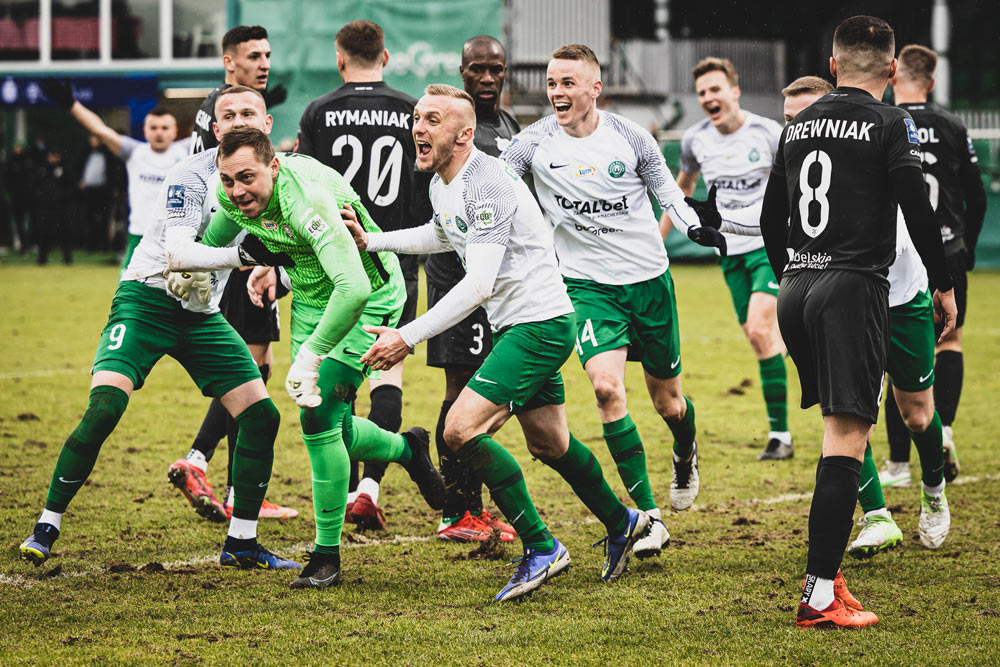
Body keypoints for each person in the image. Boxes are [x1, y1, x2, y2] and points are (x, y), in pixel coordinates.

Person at [349, 84, 653, 602]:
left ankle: (541, 546)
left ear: (465, 134)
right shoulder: (446, 182)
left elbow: (479, 283)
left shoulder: (486, 180)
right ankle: (623, 523)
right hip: (522, 325)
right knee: (550, 443)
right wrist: (371, 239)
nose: (418, 128)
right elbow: (441, 235)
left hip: (537, 326)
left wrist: (408, 335)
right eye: (418, 118)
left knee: (459, 431)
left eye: (434, 120)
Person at [18, 90, 301, 573]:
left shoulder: (288, 178)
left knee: (261, 417)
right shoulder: (189, 174)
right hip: (147, 298)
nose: (235, 121)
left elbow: (297, 249)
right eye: (226, 114)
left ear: (266, 124)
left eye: (246, 114)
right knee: (106, 405)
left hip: (202, 314)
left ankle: (242, 543)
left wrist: (277, 273)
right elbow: (179, 255)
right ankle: (47, 524)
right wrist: (250, 259)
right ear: (214, 128)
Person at [170, 126, 445, 590]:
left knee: (317, 421)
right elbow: (215, 244)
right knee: (332, 423)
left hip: (369, 296)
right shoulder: (232, 190)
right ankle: (406, 448)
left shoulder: (305, 200)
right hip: (314, 299)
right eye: (228, 180)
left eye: (247, 179)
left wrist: (313, 356)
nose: (236, 191)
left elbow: (354, 286)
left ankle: (326, 556)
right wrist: (195, 271)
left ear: (273, 167)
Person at [501, 44, 749, 559]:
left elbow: (669, 194)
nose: (557, 93)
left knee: (669, 403)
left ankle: (685, 450)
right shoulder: (531, 144)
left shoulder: (631, 138)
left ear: (595, 88)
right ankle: (649, 516)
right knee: (607, 388)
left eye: (568, 83)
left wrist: (694, 227)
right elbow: (495, 185)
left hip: (648, 283)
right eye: (551, 83)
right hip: (586, 286)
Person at [756, 16, 956, 629]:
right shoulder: (892, 121)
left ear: (834, 68)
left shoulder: (797, 126)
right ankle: (818, 594)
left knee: (843, 434)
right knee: (846, 444)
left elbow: (771, 220)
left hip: (798, 286)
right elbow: (919, 213)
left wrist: (795, 276)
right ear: (892, 72)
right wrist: (946, 285)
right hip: (853, 289)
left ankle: (830, 577)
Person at [779, 76, 951, 558]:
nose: (798, 127)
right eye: (789, 121)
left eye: (803, 116)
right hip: (842, 298)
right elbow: (774, 219)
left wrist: (943, 282)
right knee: (850, 411)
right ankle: (877, 516)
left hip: (898, 296)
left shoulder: (877, 134)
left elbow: (912, 214)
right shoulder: (798, 152)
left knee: (917, 414)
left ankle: (934, 493)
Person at [294, 19, 433, 530]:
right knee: (387, 372)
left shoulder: (319, 112)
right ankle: (370, 489)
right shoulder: (410, 110)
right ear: (387, 57)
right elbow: (424, 183)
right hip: (394, 258)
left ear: (339, 58)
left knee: (333, 383)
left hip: (332, 263)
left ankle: (354, 487)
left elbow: (302, 185)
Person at [169, 25, 296, 523]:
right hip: (240, 252)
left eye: (267, 54)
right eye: (252, 56)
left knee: (250, 366)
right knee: (253, 366)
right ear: (228, 63)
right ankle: (220, 474)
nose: (264, 63)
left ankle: (215, 470)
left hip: (225, 253)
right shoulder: (227, 112)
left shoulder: (216, 107)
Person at [662, 58, 792, 461]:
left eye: (715, 89)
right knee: (761, 338)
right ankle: (786, 341)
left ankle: (781, 437)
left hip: (769, 247)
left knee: (758, 329)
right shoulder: (695, 140)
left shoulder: (769, 133)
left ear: (734, 91)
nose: (708, 98)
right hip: (728, 252)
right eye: (702, 92)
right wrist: (658, 240)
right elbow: (680, 189)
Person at [423, 35, 521, 543]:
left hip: (501, 283)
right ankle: (458, 511)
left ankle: (468, 503)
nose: (487, 79)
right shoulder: (454, 129)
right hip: (456, 276)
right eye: (477, 70)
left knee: (491, 390)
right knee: (462, 388)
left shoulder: (507, 126)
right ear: (461, 71)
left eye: (496, 70)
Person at [878, 44, 987, 487]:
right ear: (933, 81)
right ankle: (942, 430)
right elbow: (976, 196)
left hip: (899, 252)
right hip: (949, 249)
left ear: (892, 76)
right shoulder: (952, 124)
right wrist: (968, 248)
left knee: (892, 355)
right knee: (950, 342)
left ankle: (899, 465)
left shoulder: (881, 121)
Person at [39, 79, 186, 269]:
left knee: (179, 296)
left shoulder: (187, 152)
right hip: (140, 238)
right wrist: (72, 104)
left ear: (175, 131)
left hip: (176, 238)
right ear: (145, 131)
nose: (159, 133)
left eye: (165, 128)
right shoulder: (134, 152)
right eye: (154, 128)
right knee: (125, 297)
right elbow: (99, 130)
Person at [33, 147, 75, 265]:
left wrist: (63, 199)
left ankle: (67, 259)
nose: (53, 158)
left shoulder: (65, 170)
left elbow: (70, 187)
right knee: (44, 233)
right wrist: (41, 198)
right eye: (51, 156)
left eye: (55, 156)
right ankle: (42, 259)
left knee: (64, 233)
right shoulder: (42, 170)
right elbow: (35, 186)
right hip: (45, 208)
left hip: (61, 207)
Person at [78, 135, 114, 251]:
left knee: (104, 219)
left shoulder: (106, 154)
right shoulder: (85, 154)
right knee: (90, 218)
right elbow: (79, 168)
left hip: (103, 190)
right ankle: (90, 245)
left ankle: (103, 245)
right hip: (90, 190)